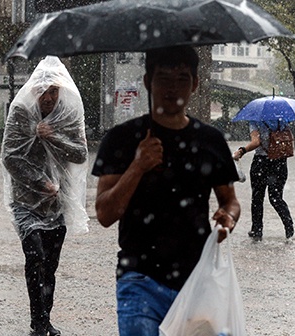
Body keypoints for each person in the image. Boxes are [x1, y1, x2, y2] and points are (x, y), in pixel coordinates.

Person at [91, 46, 241, 336]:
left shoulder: (210, 141)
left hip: (198, 280)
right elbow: (105, 213)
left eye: (182, 78)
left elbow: (230, 201)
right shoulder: (121, 139)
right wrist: (137, 166)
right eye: (164, 78)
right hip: (139, 280)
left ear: (195, 84)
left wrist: (228, 219)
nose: (173, 88)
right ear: (148, 81)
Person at [1, 56, 89, 336]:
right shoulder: (21, 114)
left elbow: (80, 153)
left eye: (54, 91)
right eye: (44, 90)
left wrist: (51, 137)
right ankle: (37, 323)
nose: (49, 97)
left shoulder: (67, 115)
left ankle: (44, 320)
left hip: (57, 202)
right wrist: (41, 183)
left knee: (49, 266)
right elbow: (10, 158)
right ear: (34, 89)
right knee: (35, 256)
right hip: (26, 201)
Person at [233, 120, 294, 241]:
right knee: (276, 197)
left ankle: (257, 230)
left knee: (257, 197)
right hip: (280, 162)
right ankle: (288, 226)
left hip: (261, 163)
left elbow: (256, 142)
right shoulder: (281, 120)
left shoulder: (255, 120)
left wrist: (241, 151)